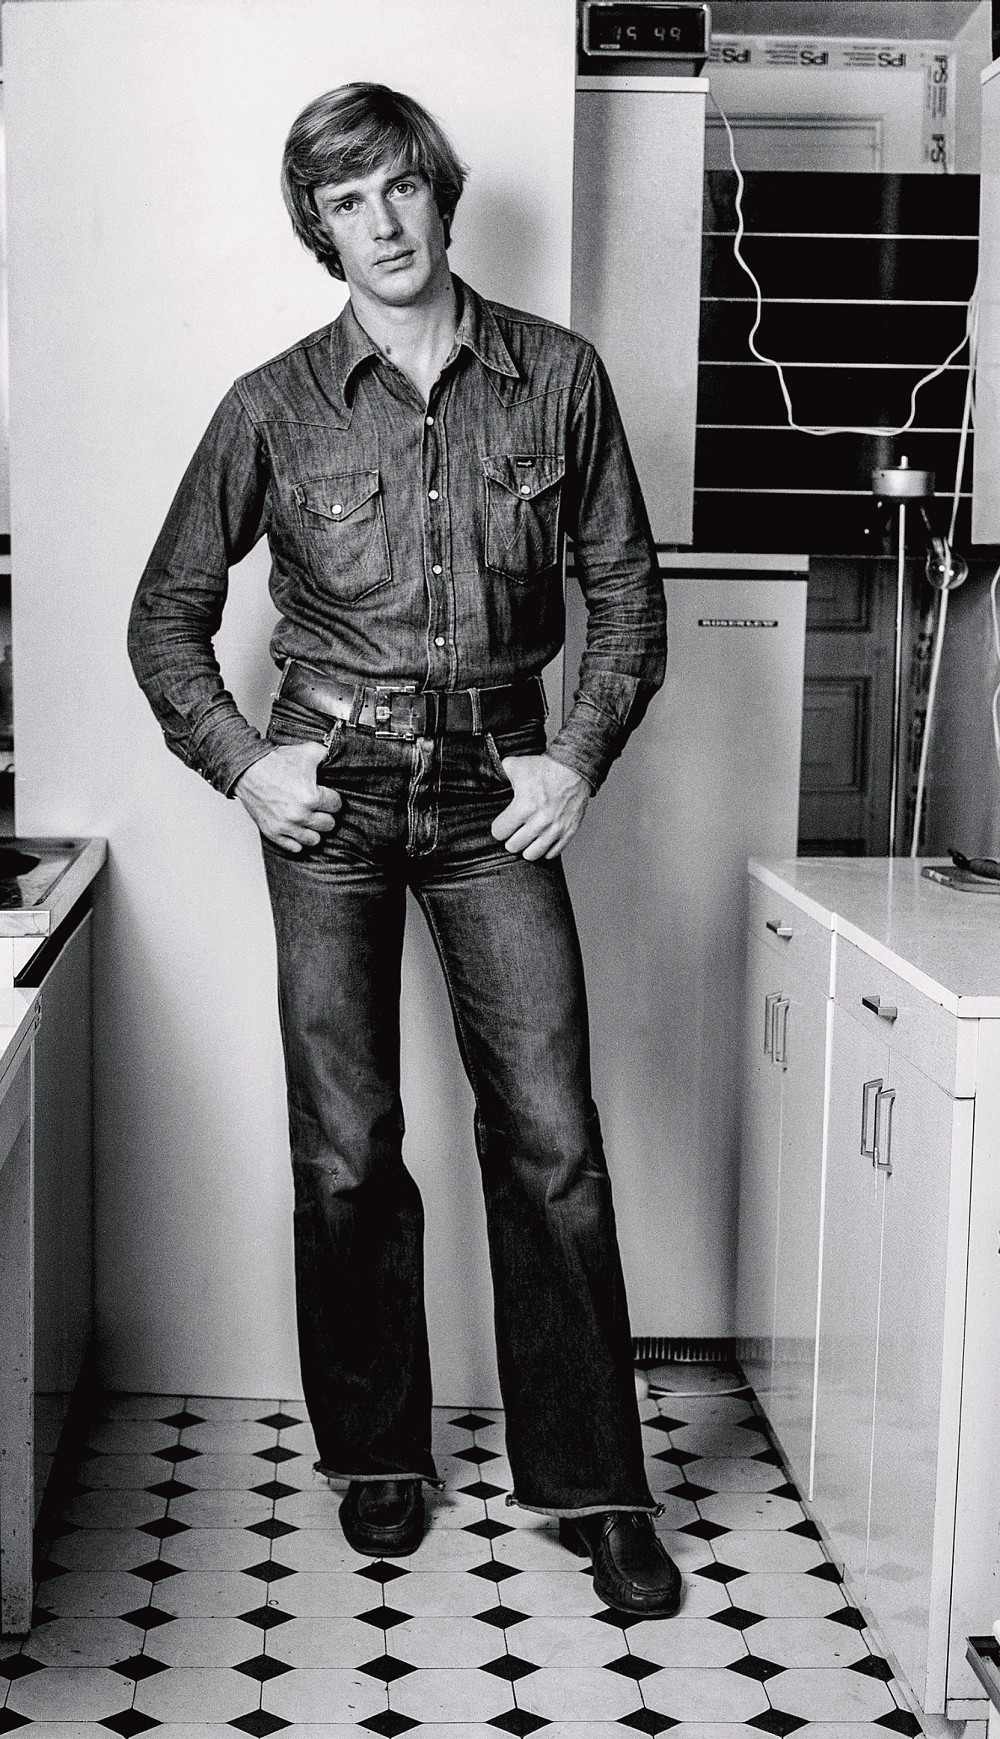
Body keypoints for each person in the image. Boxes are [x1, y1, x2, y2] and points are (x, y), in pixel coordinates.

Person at [129, 82, 677, 1617]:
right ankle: (377, 1453)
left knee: (553, 1142)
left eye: (398, 188)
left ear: (441, 191)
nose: (380, 223)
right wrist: (247, 767)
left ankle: (595, 1488)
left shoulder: (559, 377)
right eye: (345, 201)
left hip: (500, 793)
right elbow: (166, 616)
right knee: (347, 1145)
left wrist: (576, 759)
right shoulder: (273, 402)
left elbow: (630, 600)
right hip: (335, 796)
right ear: (319, 227)